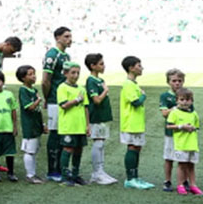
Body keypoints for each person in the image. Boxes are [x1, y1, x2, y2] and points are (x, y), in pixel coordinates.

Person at [117, 56, 155, 189]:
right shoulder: (128, 84)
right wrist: (143, 96)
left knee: (137, 148)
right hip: (130, 122)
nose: (141, 68)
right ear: (131, 68)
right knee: (132, 147)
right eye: (139, 65)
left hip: (136, 122)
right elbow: (136, 102)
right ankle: (130, 179)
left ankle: (135, 177)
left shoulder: (133, 84)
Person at [42, 26, 73, 182]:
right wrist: (47, 98)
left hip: (64, 100)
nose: (70, 39)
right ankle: (52, 170)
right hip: (55, 100)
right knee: (54, 134)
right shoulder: (52, 55)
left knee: (62, 133)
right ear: (57, 38)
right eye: (66, 36)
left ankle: (61, 167)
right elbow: (45, 80)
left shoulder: (66, 56)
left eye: (70, 36)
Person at [83, 53, 118, 185]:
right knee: (98, 143)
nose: (104, 66)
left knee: (101, 143)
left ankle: (101, 171)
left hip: (102, 117)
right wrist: (105, 91)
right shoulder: (91, 80)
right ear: (93, 66)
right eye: (101, 63)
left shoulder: (99, 80)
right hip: (95, 117)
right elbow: (96, 100)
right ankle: (96, 173)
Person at [56, 62, 89, 187]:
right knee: (68, 148)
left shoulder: (81, 89)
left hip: (80, 125)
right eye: (73, 72)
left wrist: (87, 125)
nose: (76, 75)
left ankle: (75, 175)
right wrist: (77, 100)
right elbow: (64, 105)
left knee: (78, 149)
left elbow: (86, 108)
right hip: (68, 125)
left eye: (78, 73)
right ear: (65, 73)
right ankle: (65, 177)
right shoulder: (62, 88)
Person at [166, 88, 202, 195]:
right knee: (182, 165)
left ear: (192, 101)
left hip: (193, 144)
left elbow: (197, 126)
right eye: (182, 100)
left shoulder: (194, 113)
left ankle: (193, 185)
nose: (185, 102)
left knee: (191, 165)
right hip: (181, 144)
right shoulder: (174, 113)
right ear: (177, 101)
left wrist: (193, 128)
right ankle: (180, 184)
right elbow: (168, 125)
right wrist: (182, 126)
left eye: (188, 100)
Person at [159, 68, 189, 192]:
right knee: (169, 157)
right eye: (174, 81)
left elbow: (190, 112)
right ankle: (167, 181)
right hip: (171, 132)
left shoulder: (187, 95)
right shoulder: (165, 96)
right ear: (168, 82)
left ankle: (183, 181)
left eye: (179, 81)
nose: (177, 83)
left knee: (184, 159)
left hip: (184, 133)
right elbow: (165, 113)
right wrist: (177, 107)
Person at [16, 65, 45, 184]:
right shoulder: (23, 90)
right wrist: (38, 101)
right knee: (29, 150)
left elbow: (37, 111)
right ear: (23, 78)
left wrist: (42, 124)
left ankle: (33, 173)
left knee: (34, 149)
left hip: (36, 124)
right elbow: (29, 107)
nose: (34, 76)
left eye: (34, 73)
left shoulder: (34, 90)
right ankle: (30, 174)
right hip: (29, 125)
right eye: (30, 74)